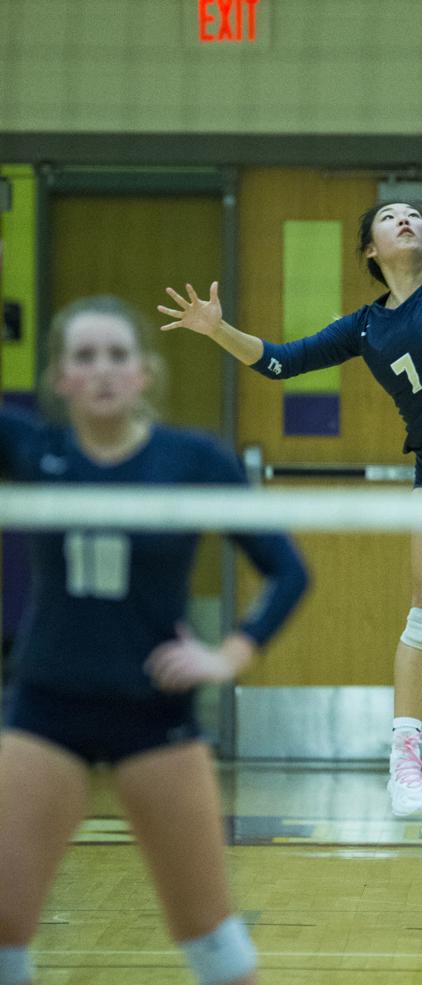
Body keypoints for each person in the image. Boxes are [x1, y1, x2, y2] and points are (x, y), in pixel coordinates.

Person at [157, 115, 422, 847]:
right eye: (390, 218)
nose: (406, 220)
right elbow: (278, 361)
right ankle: (404, 753)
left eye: (415, 218)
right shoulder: (365, 328)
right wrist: (217, 329)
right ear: (371, 248)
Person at [0, 294, 309, 985]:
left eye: (117, 356)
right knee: (2, 932)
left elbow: (287, 571)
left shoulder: (192, 459)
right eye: (84, 357)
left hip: (153, 711)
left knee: (213, 940)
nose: (102, 370)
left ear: (144, 373)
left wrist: (228, 654)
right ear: (60, 379)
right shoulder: (33, 448)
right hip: (46, 708)